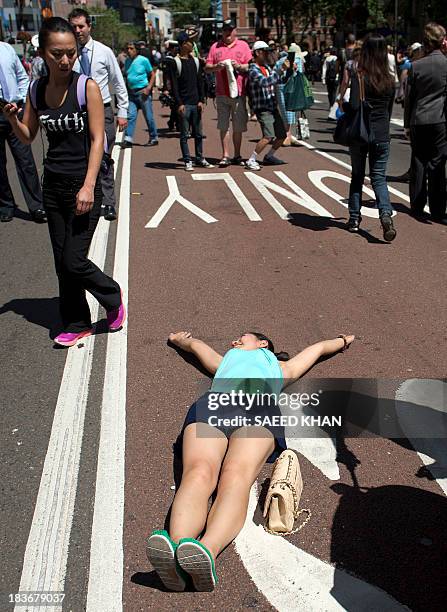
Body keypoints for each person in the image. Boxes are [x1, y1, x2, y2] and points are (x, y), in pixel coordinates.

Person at [145, 330, 355, 592]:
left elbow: (318, 349)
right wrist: (179, 340)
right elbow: (197, 346)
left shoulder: (281, 368)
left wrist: (342, 341)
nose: (234, 341)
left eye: (241, 337)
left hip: (258, 408)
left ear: (263, 344)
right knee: (199, 472)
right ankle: (177, 554)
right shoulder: (227, 360)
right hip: (215, 404)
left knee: (235, 476)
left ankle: (205, 551)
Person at [3, 17, 125, 346]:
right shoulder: (36, 89)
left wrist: (88, 185)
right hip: (53, 186)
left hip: (84, 185)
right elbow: (28, 136)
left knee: (74, 259)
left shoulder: (87, 88)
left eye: (70, 52)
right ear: (42, 53)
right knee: (62, 262)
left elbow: (99, 139)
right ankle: (77, 321)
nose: (65, 60)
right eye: (57, 53)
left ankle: (112, 296)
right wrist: (13, 118)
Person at [69, 8, 129, 222]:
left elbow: (118, 83)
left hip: (102, 110)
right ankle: (83, 199)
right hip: (76, 111)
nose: (77, 31)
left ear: (89, 26)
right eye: (74, 27)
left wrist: (123, 112)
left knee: (103, 158)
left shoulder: (104, 52)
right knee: (80, 157)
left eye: (81, 26)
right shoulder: (68, 54)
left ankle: (108, 202)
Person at [338, 34, 397, 241]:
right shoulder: (389, 80)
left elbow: (353, 106)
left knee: (357, 176)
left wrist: (344, 107)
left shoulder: (359, 76)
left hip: (360, 133)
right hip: (381, 133)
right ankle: (386, 215)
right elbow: (389, 111)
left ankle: (354, 218)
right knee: (379, 178)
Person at [404, 23, 447, 224]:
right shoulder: (446, 64)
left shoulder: (415, 66)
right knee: (438, 163)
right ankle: (438, 209)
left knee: (419, 161)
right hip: (440, 120)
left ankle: (417, 205)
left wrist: (406, 124)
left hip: (419, 118)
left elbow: (409, 99)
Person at [0, 40, 46, 223]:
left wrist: (22, 103)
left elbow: (21, 76)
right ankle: (6, 205)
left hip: (14, 110)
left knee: (25, 161)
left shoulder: (7, 49)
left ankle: (37, 206)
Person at [205, 19, 252, 167]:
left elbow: (250, 65)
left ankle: (237, 154)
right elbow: (207, 66)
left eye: (230, 30)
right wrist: (216, 67)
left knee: (238, 126)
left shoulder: (243, 46)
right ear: (222, 31)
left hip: (238, 92)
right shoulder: (215, 47)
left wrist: (239, 66)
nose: (228, 33)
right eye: (225, 30)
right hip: (221, 93)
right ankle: (225, 155)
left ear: (235, 31)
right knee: (223, 126)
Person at [170, 32, 214, 171]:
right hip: (184, 104)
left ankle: (200, 158)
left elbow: (200, 82)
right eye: (190, 42)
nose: (192, 44)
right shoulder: (175, 62)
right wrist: (179, 103)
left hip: (196, 103)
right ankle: (187, 160)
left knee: (198, 133)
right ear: (183, 44)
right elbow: (174, 86)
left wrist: (201, 100)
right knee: (184, 135)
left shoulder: (195, 61)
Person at [245, 41, 289, 170]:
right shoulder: (253, 69)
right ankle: (251, 159)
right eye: (265, 52)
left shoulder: (267, 67)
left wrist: (289, 71)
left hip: (272, 106)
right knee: (268, 136)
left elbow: (278, 81)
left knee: (281, 135)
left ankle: (269, 156)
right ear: (258, 53)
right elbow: (265, 82)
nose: (268, 54)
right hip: (263, 108)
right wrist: (281, 70)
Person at [122, 41, 158, 149]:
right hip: (132, 94)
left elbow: (152, 74)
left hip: (143, 93)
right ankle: (128, 139)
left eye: (131, 48)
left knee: (148, 117)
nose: (129, 51)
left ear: (137, 50)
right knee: (131, 116)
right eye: (127, 48)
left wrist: (148, 88)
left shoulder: (143, 60)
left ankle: (154, 137)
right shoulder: (127, 61)